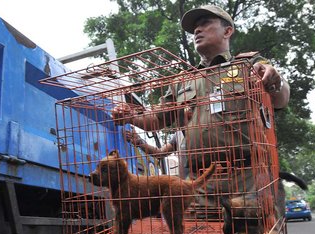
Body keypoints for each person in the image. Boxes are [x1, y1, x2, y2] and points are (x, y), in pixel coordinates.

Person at [113, 5, 290, 207]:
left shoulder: (248, 65)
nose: (197, 30)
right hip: (200, 183)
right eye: (195, 27)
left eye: (205, 23)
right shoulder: (182, 80)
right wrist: (129, 118)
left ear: (227, 31)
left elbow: (281, 99)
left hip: (246, 179)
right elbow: (157, 120)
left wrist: (275, 81)